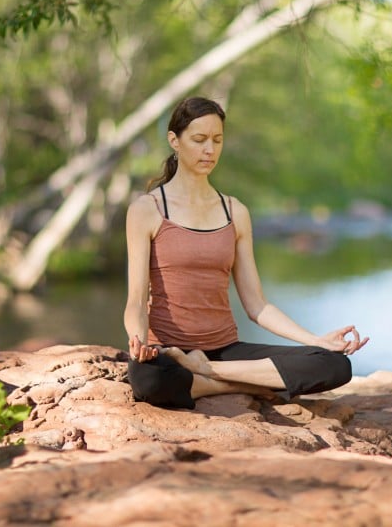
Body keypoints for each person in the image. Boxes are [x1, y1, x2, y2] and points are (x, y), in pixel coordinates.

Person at [123, 96, 369, 409]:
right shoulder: (147, 210)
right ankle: (248, 382)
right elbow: (135, 300)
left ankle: (206, 374)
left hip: (226, 351)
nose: (209, 150)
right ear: (175, 140)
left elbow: (256, 305)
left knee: (334, 364)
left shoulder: (234, 211)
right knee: (149, 378)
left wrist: (316, 340)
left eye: (217, 140)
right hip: (169, 351)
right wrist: (139, 341)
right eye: (199, 140)